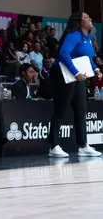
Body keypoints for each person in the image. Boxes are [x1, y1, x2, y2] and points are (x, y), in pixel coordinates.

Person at [47, 12, 102, 158]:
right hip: (63, 74)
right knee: (61, 109)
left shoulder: (87, 37)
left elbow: (87, 57)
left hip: (78, 76)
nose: (90, 19)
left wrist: (96, 69)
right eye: (86, 18)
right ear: (79, 22)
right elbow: (64, 54)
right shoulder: (73, 35)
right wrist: (76, 72)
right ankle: (53, 146)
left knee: (81, 111)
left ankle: (83, 146)